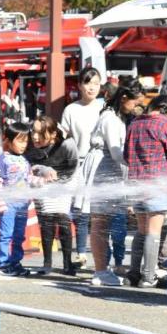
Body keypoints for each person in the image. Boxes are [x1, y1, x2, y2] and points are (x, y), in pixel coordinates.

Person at [82, 78, 143, 286]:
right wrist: (137, 168)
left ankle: (102, 269)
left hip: (110, 170)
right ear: (124, 98)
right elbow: (117, 153)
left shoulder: (117, 117)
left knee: (103, 222)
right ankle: (100, 270)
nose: (136, 108)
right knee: (100, 222)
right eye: (134, 103)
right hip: (103, 168)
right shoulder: (109, 118)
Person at [124, 95, 167, 287]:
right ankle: (148, 277)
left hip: (137, 183)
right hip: (157, 183)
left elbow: (126, 155)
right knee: (154, 231)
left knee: (141, 231)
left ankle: (133, 274)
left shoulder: (134, 123)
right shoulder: (163, 123)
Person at [59, 66, 104, 267]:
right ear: (79, 85)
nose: (92, 87)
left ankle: (105, 256)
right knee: (80, 211)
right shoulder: (71, 109)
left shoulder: (105, 107)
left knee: (101, 211)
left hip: (101, 163)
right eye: (88, 83)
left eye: (96, 83)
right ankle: (81, 253)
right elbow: (64, 139)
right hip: (78, 164)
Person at [28, 115, 79, 275]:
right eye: (33, 132)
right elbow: (29, 165)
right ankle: (47, 263)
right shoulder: (32, 147)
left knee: (63, 221)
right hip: (41, 187)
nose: (35, 137)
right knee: (46, 223)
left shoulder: (67, 144)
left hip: (64, 185)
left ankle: (67, 263)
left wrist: (57, 179)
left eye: (40, 133)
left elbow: (72, 167)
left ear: (53, 134)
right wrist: (42, 170)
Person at [0, 121, 34, 277]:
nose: (23, 145)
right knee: (6, 234)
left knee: (19, 235)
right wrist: (0, 202)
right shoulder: (3, 160)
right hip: (8, 204)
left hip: (22, 205)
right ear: (8, 141)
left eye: (26, 141)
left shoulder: (25, 160)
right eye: (20, 140)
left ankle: (16, 261)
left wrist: (40, 181)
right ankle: (3, 263)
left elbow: (29, 178)